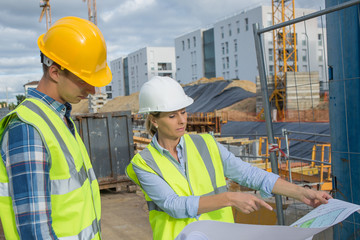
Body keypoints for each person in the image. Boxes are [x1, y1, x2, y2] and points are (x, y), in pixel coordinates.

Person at [126, 76, 332, 240]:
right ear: (153, 120)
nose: (182, 120)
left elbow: (249, 174)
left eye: (183, 112)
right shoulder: (144, 163)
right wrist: (230, 198)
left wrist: (301, 192)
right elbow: (174, 205)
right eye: (172, 116)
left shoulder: (205, 144)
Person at [0, 16, 112, 239]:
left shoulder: (61, 119)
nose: (92, 89)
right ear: (55, 72)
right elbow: (35, 231)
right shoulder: (28, 128)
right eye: (83, 80)